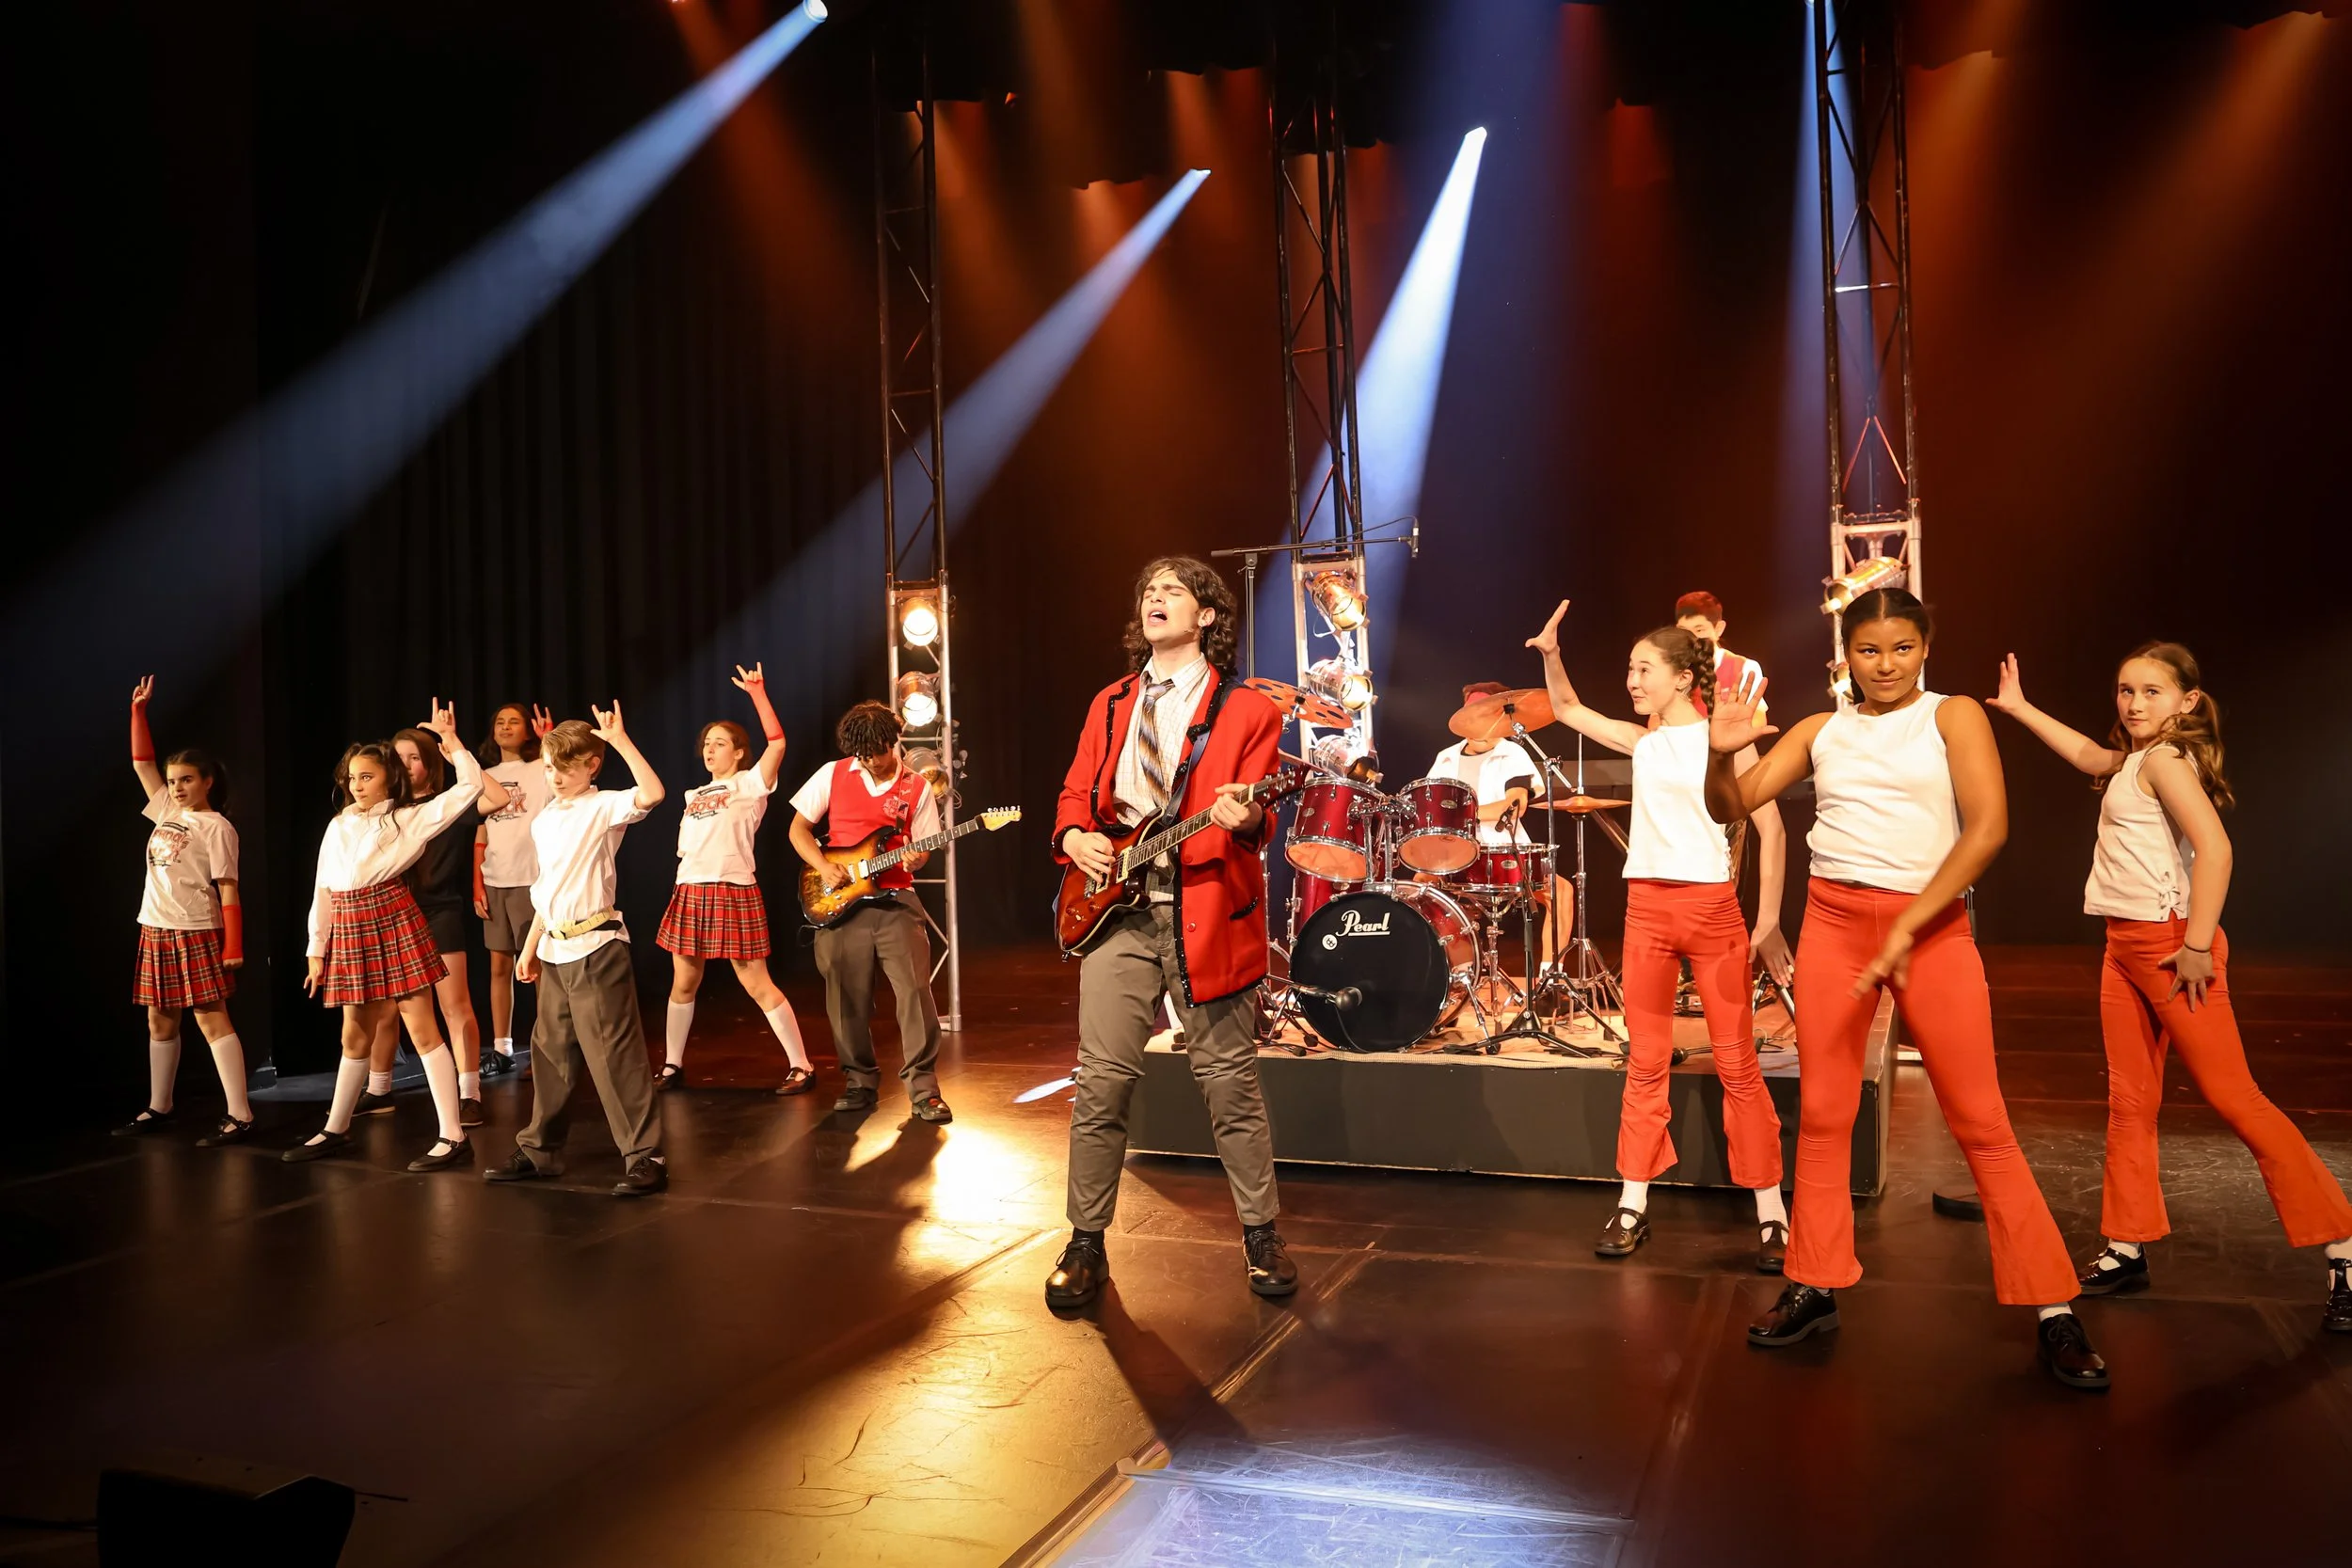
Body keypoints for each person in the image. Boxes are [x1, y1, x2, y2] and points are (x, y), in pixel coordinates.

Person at [1701, 589, 2109, 1390]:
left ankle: (2053, 1306)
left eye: (1901, 648)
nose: (1885, 664)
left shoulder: (1953, 715)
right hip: (1834, 922)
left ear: (1925, 647)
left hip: (1933, 926)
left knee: (1981, 1119)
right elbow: (1731, 806)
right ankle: (1813, 1282)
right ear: (1844, 656)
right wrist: (1721, 754)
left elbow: (1988, 828)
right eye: (1868, 650)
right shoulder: (1821, 730)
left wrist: (1907, 926)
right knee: (1824, 1114)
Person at [1991, 644, 2352, 1333]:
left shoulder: (2165, 760)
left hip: (2170, 946)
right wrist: (2021, 708)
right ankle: (2126, 1244)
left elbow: (2217, 849)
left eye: (2151, 692)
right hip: (2124, 947)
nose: (2133, 704)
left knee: (2236, 1097)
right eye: (2125, 690)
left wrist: (2196, 946)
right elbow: (2087, 756)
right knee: (2130, 1100)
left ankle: (2345, 1244)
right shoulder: (2135, 759)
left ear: (2187, 701)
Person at [1047, 556, 1294, 1309]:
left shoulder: (1249, 709)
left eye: (1172, 590)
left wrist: (1247, 813)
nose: (1154, 597)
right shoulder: (1111, 700)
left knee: (1230, 1085)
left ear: (1206, 614)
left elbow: (1258, 815)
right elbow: (1075, 791)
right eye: (1148, 590)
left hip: (1206, 911)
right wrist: (1074, 837)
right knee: (1101, 1082)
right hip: (1117, 911)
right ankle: (1085, 1242)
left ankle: (1261, 1234)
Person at [1527, 603, 1786, 1268]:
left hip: (1712, 911)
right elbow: (1568, 708)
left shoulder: (1723, 739)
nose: (1632, 680)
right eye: (1630, 669)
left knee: (1737, 1063)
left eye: (1644, 669)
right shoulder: (1645, 742)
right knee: (1644, 1062)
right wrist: (1552, 654)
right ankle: (1633, 1201)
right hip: (1647, 910)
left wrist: (1768, 920)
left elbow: (1773, 827)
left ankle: (1771, 1212)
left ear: (1681, 678)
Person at [285, 703, 485, 1172]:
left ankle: (453, 1135)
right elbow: (323, 888)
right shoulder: (339, 825)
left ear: (389, 780)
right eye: (352, 778)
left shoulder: (408, 818)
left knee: (420, 1024)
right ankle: (336, 1128)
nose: (357, 786)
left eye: (367, 777)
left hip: (392, 917)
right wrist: (317, 948)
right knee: (354, 1031)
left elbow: (471, 788)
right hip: (350, 924)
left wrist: (452, 743)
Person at [485, 705, 671, 1196]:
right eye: (550, 767)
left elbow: (653, 794)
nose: (556, 776)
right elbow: (547, 889)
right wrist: (530, 948)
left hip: (597, 946)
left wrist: (620, 741)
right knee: (550, 1055)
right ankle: (539, 1149)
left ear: (591, 765)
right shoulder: (546, 818)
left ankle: (645, 1154)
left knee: (613, 1054)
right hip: (554, 948)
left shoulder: (603, 806)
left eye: (566, 768)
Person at [657, 663, 816, 1097]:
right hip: (690, 889)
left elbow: (778, 743)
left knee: (755, 982)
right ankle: (672, 1064)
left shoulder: (750, 784)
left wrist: (758, 694)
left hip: (732, 889)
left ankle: (801, 1065)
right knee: (683, 981)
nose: (710, 749)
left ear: (740, 752)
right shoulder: (692, 795)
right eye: (707, 744)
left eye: (720, 743)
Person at [787, 702, 948, 1123]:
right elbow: (798, 830)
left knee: (915, 992)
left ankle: (924, 1090)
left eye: (877, 752)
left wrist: (917, 858)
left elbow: (924, 850)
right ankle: (859, 1082)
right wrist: (823, 866)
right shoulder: (832, 773)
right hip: (842, 901)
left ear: (893, 742)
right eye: (863, 754)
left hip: (896, 898)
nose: (871, 761)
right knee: (845, 997)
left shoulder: (917, 787)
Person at [119, 676, 254, 1147]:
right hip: (156, 927)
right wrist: (139, 713)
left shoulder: (218, 828)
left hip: (195, 929)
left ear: (207, 781)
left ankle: (241, 1113)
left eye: (186, 780)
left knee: (211, 1019)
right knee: (159, 1019)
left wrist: (233, 945)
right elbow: (142, 763)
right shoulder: (165, 812)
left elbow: (229, 889)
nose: (176, 787)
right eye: (173, 781)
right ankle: (160, 1106)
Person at [359, 727, 512, 1128]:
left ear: (430, 762)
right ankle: (379, 1089)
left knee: (454, 1005)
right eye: (399, 757)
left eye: (414, 757)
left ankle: (469, 1094)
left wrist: (457, 750)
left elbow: (498, 798)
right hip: (393, 913)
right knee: (387, 1009)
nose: (406, 765)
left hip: (438, 913)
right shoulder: (386, 809)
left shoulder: (450, 804)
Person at [476, 701, 554, 1079]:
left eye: (514, 722)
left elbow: (562, 772)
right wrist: (477, 882)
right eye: (500, 722)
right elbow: (480, 831)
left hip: (530, 879)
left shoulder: (539, 769)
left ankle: (546, 1048)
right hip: (495, 880)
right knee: (499, 967)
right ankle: (502, 1048)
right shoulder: (485, 774)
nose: (506, 727)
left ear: (527, 731)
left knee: (536, 966)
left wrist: (548, 740)